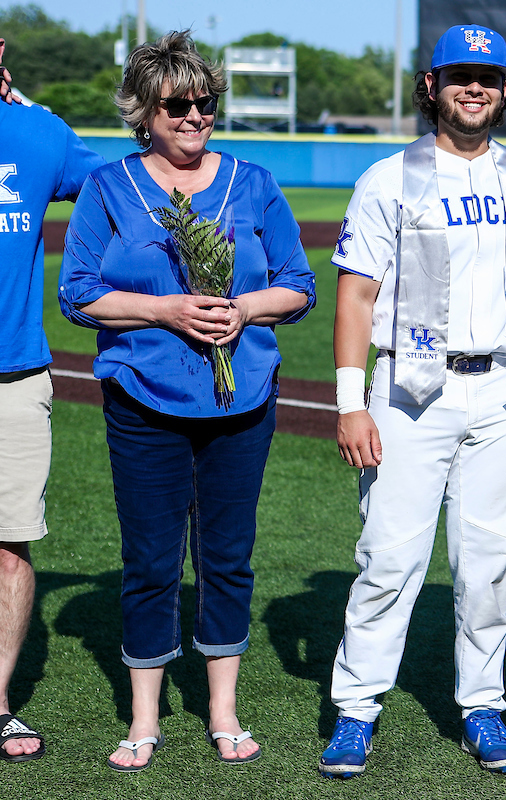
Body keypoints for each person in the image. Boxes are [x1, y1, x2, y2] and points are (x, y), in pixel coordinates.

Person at [58, 31, 315, 771]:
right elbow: (79, 295)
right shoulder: (110, 188)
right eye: (177, 104)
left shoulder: (254, 182)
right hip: (143, 402)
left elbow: (298, 286)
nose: (195, 116)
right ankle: (143, 719)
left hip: (242, 403)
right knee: (149, 561)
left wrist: (243, 309)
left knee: (228, 558)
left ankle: (222, 711)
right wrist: (168, 310)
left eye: (205, 102)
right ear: (145, 110)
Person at [318, 24, 506, 779]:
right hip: (408, 391)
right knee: (388, 557)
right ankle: (356, 710)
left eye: (487, 75)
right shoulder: (390, 177)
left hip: (504, 390)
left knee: (487, 564)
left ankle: (482, 706)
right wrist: (352, 402)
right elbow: (355, 294)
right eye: (458, 75)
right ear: (431, 85)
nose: (473, 87)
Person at [0, 35, 105, 765]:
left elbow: (121, 183)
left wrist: (40, 111)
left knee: (9, 550)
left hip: (13, 378)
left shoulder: (36, 134)